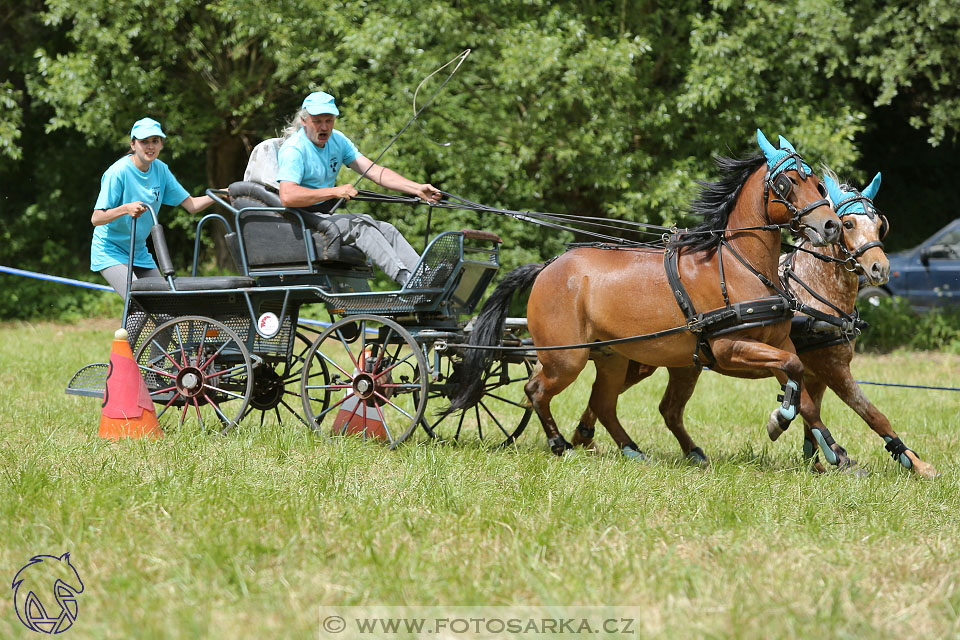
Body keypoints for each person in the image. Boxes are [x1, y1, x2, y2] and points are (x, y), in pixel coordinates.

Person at [276, 91, 442, 285]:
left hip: (325, 216)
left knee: (386, 229)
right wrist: (334, 191)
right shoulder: (294, 149)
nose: (324, 127)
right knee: (360, 226)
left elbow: (374, 171)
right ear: (304, 121)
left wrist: (416, 188)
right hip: (301, 221)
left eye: (329, 121)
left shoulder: (337, 140)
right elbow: (287, 196)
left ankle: (428, 278)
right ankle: (408, 281)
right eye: (317, 121)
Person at [91, 117, 215, 297]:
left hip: (139, 251)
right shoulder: (118, 172)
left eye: (155, 141)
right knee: (139, 303)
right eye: (144, 142)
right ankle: (127, 326)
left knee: (163, 303)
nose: (150, 146)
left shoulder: (161, 169)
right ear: (133, 145)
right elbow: (96, 218)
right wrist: (125, 209)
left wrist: (222, 195)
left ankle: (135, 327)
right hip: (111, 251)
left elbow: (193, 205)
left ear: (161, 144)